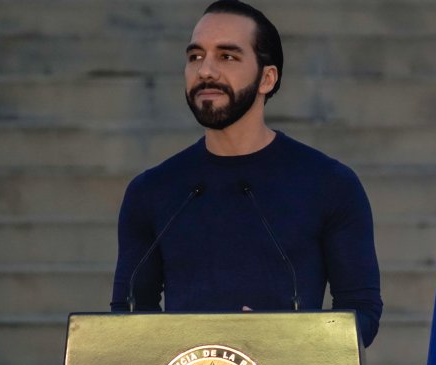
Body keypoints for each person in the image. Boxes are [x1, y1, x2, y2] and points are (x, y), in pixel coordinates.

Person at [110, 0, 382, 346]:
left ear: (267, 78)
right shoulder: (151, 190)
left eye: (227, 56)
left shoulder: (329, 184)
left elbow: (362, 312)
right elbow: (129, 313)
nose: (205, 71)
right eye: (195, 56)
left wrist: (284, 337)